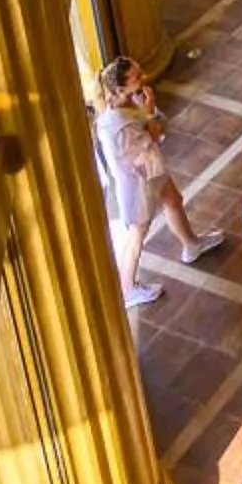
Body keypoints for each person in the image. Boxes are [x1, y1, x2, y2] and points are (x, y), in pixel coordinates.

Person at [94, 57, 224, 310]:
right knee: (136, 234)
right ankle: (127, 288)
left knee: (173, 200)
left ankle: (191, 245)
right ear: (119, 89)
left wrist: (149, 114)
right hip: (137, 184)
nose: (143, 80)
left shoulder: (128, 105)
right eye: (136, 78)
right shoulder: (118, 126)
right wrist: (151, 111)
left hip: (151, 171)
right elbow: (151, 136)